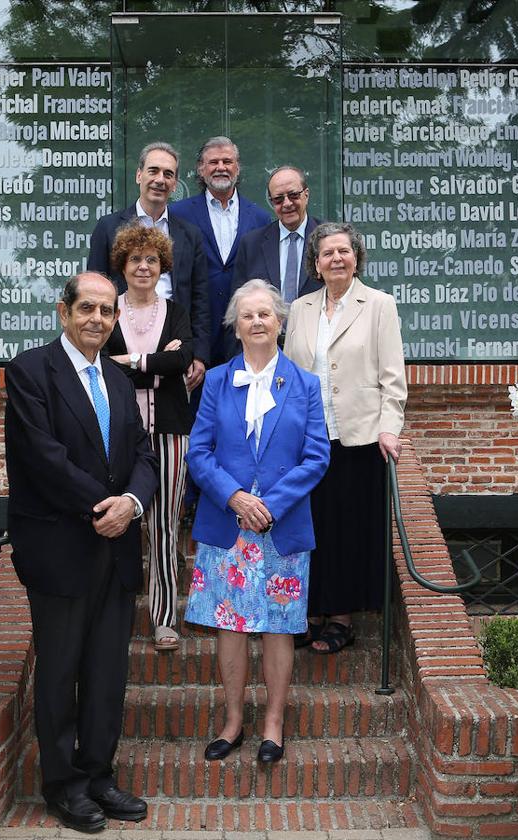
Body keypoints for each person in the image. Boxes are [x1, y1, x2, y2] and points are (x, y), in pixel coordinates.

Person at [4, 272, 159, 833]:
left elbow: (144, 454)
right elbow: (43, 459)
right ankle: (63, 786)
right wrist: (106, 506)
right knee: (61, 671)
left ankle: (97, 776)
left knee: (106, 672)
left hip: (115, 550)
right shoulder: (30, 372)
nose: (97, 319)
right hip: (60, 546)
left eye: (107, 311)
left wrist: (133, 505)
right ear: (63, 312)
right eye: (86, 308)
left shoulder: (117, 381)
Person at [184, 279, 330, 764]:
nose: (258, 322)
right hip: (228, 527)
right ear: (236, 326)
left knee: (279, 628)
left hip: (281, 528)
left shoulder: (306, 385)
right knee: (230, 627)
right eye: (247, 316)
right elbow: (198, 453)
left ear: (280, 322)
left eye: (265, 314)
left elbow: (316, 457)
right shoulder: (216, 382)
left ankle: (272, 723)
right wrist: (236, 498)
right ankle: (232, 721)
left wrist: (270, 504)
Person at [283, 222, 407, 655]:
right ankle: (308, 613)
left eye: (344, 251)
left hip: (358, 438)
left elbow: (393, 377)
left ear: (357, 258)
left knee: (348, 531)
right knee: (309, 528)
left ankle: (340, 618)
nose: (336, 258)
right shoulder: (298, 309)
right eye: (327, 253)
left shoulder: (378, 305)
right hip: (307, 440)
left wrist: (389, 427)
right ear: (315, 265)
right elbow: (290, 374)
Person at [102, 224, 194, 652]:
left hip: (171, 432)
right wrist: (157, 362)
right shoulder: (108, 310)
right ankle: (109, 615)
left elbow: (182, 359)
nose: (143, 266)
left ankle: (163, 618)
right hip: (116, 435)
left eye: (152, 260)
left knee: (162, 524)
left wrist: (134, 360)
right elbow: (101, 364)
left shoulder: (175, 311)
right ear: (122, 265)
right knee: (114, 522)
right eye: (135, 259)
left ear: (162, 267)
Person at [87, 141, 211, 392]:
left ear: (175, 184)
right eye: (153, 171)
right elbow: (93, 289)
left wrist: (198, 354)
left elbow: (200, 300)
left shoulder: (190, 234)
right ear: (139, 175)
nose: (160, 180)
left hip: (173, 343)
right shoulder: (108, 227)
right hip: (120, 341)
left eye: (168, 174)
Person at [170, 136, 272, 366]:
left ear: (237, 167)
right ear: (200, 168)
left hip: (245, 331)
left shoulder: (260, 218)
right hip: (195, 330)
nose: (221, 168)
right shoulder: (178, 215)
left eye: (227, 161)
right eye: (213, 162)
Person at [231, 165, 324, 308]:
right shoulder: (251, 245)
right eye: (278, 199)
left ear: (306, 194)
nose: (287, 204)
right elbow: (239, 304)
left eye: (293, 195)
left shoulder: (328, 239)